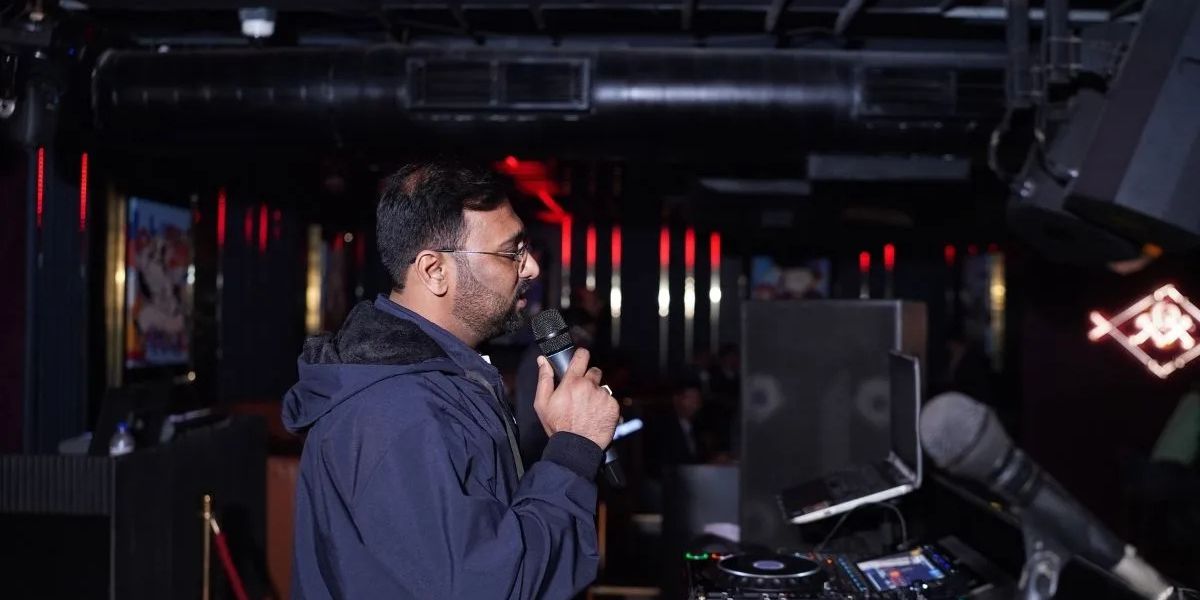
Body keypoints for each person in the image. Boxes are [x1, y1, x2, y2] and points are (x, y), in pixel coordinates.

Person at [282, 162, 620, 599]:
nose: (532, 267)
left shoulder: (436, 379)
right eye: (511, 252)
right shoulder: (397, 410)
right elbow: (492, 585)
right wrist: (572, 450)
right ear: (434, 270)